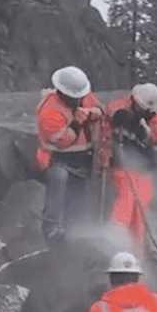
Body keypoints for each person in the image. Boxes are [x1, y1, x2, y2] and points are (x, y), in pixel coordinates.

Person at [36, 66, 105, 244]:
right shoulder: (50, 110)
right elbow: (63, 140)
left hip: (82, 158)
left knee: (78, 193)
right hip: (56, 159)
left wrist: (94, 114)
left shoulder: (84, 95)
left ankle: (73, 230)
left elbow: (97, 107)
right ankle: (51, 229)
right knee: (58, 184)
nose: (80, 99)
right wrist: (77, 124)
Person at [106, 84, 157, 255]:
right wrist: (122, 117)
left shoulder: (154, 117)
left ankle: (136, 254)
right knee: (127, 197)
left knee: (142, 207)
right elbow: (110, 110)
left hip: (144, 169)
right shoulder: (122, 105)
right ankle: (114, 238)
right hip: (122, 166)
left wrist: (144, 131)